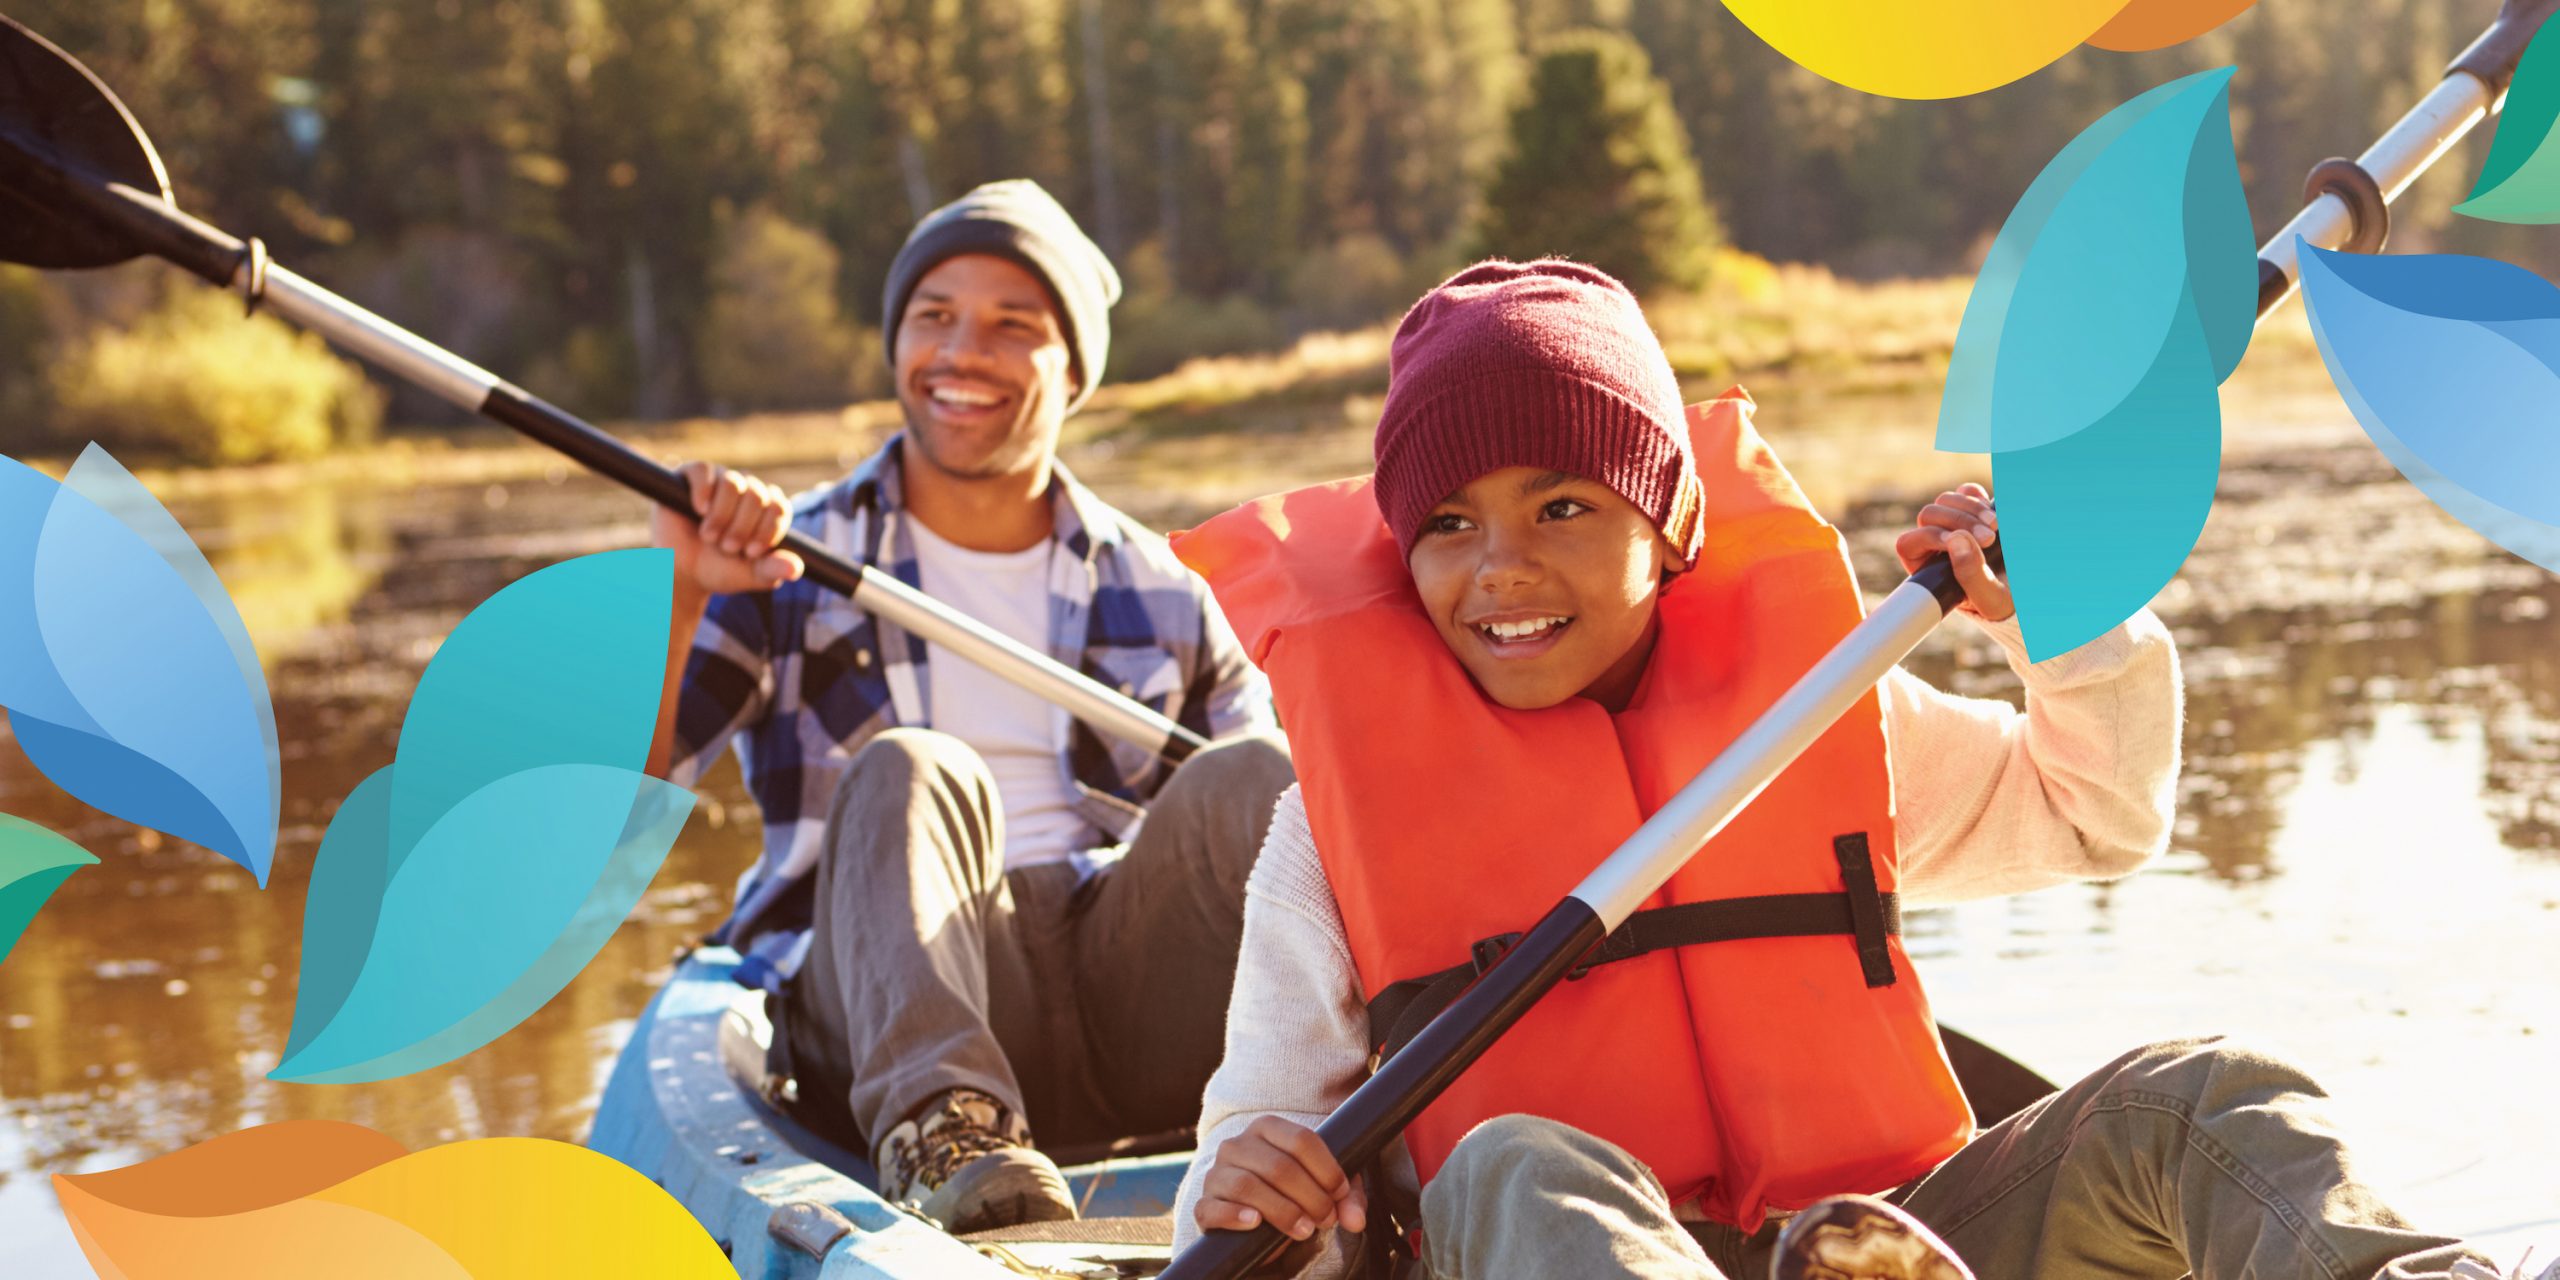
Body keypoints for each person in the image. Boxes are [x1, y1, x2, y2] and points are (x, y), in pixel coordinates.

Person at [1166, 259, 2527, 1279]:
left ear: (1672, 526)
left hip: (1877, 1243)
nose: (1500, 567)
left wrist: (2064, 616)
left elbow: (2094, 814)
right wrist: (1255, 1187)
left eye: (1565, 505)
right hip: (1549, 1252)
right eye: (1448, 526)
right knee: (1512, 1161)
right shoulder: (1328, 837)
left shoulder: (1811, 723)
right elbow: (1235, 1182)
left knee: (2208, 1094)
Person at [643, 178, 1293, 1236]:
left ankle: (1336, 1119)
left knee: (1257, 774)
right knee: (915, 764)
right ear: (895, 341)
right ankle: (946, 1131)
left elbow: (1280, 848)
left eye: (1011, 326)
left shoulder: (1165, 584)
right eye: (933, 316)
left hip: (1115, 996)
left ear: (1072, 370)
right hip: (877, 1003)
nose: (961, 352)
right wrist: (682, 591)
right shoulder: (783, 559)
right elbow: (631, 785)